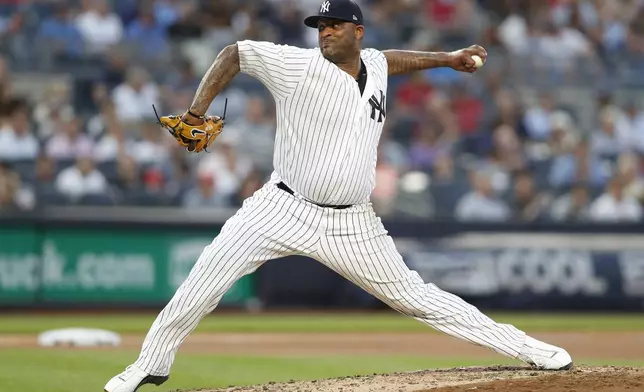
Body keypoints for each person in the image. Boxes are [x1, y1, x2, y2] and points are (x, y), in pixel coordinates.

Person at [104, 1, 572, 391]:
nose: (324, 32)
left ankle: (527, 349)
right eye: (320, 25)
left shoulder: (375, 64)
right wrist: (195, 110)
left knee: (417, 298)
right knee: (203, 281)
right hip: (281, 207)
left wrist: (447, 59)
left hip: (353, 222)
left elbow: (393, 59)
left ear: (358, 32)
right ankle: (150, 363)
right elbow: (235, 52)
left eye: (333, 25)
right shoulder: (297, 64)